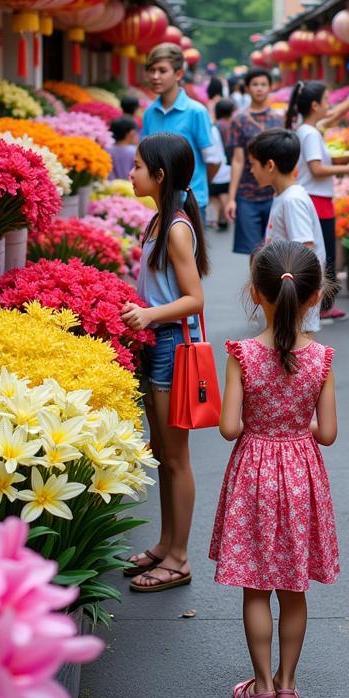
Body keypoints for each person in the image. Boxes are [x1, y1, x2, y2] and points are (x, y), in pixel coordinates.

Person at [210, 239, 339, 698]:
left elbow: (227, 428)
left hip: (253, 475)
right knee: (293, 587)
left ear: (255, 292)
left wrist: (262, 429)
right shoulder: (322, 358)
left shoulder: (241, 354)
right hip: (302, 474)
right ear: (314, 296)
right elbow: (326, 433)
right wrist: (294, 428)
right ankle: (288, 685)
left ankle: (261, 688)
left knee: (256, 586)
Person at [121, 132, 210, 594]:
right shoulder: (158, 221)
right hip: (156, 344)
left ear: (159, 175)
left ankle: (178, 558)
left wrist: (149, 314)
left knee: (176, 459)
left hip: (171, 346)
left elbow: (195, 299)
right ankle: (165, 544)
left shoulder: (175, 227)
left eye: (137, 167)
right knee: (162, 454)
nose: (129, 173)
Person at [285, 80, 349, 324]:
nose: (330, 104)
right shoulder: (311, 133)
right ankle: (323, 306)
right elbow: (316, 169)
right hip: (318, 199)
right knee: (323, 257)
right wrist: (346, 168)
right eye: (326, 101)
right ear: (314, 105)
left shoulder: (304, 129)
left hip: (315, 196)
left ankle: (318, 305)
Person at [249, 128, 325, 335]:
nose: (251, 171)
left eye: (253, 164)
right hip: (285, 293)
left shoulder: (293, 201)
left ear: (270, 165)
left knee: (300, 353)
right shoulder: (285, 196)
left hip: (294, 297)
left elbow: (304, 252)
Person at [141, 43, 220, 209]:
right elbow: (145, 158)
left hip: (190, 204)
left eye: (162, 71)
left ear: (179, 74)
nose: (155, 76)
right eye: (151, 70)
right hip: (158, 203)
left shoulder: (196, 112)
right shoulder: (149, 113)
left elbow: (213, 160)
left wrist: (197, 187)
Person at [227, 68, 282, 256]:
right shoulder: (239, 120)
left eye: (264, 84)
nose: (259, 89)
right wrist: (232, 198)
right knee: (254, 253)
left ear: (270, 87)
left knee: (275, 251)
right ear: (248, 88)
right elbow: (237, 160)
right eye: (255, 85)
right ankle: (256, 286)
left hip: (274, 194)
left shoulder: (279, 119)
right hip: (247, 194)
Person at [207, 98, 234, 230]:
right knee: (224, 192)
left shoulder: (214, 127)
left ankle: (220, 217)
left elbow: (212, 148)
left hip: (219, 165)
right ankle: (224, 217)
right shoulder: (234, 126)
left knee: (215, 194)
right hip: (231, 166)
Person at [106, 115, 138, 182]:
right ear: (131, 133)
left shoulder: (107, 149)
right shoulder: (135, 151)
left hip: (110, 188)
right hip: (130, 189)